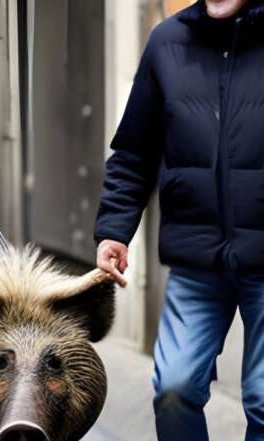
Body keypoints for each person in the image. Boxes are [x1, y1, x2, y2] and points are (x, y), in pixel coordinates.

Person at [94, 0, 264, 440]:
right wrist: (115, 229)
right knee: (173, 388)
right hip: (196, 258)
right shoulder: (168, 43)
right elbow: (134, 151)